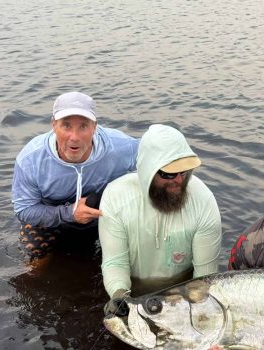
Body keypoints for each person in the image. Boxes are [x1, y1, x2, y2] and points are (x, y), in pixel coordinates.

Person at [100, 124, 222, 315]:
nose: (179, 181)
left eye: (184, 172)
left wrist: (196, 309)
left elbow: (204, 277)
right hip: (133, 284)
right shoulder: (115, 198)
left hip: (183, 290)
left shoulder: (204, 202)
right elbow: (115, 263)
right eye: (169, 174)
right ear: (148, 171)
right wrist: (120, 295)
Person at [12, 91, 139, 259]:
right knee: (34, 261)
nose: (75, 137)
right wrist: (69, 213)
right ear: (53, 125)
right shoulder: (31, 159)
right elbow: (24, 209)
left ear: (94, 127)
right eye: (66, 125)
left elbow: (160, 161)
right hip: (51, 215)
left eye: (83, 126)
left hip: (102, 211)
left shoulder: (121, 146)